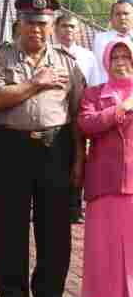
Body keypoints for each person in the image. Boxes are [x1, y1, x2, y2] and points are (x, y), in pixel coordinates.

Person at [0, 0, 85, 297]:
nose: (36, 29)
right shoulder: (0, 57)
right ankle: (12, 293)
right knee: (8, 223)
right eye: (29, 22)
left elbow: (77, 113)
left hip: (55, 148)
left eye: (42, 23)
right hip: (11, 147)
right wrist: (36, 84)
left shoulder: (67, 62)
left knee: (54, 225)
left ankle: (49, 295)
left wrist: (79, 159)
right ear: (19, 23)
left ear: (52, 24)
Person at [79, 38, 133, 297]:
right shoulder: (93, 94)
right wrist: (120, 109)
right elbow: (87, 124)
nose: (121, 62)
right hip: (104, 178)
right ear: (106, 62)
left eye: (126, 57)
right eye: (115, 58)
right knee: (105, 242)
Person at [55, 11, 99, 224]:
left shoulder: (88, 57)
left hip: (79, 116)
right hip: (56, 116)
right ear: (55, 29)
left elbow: (94, 87)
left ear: (79, 31)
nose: (68, 30)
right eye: (64, 26)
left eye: (72, 27)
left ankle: (75, 207)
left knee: (79, 159)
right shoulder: (49, 53)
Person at [91, 0, 133, 86]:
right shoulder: (100, 39)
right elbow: (99, 68)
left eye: (126, 13)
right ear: (111, 18)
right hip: (108, 90)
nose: (122, 17)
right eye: (118, 14)